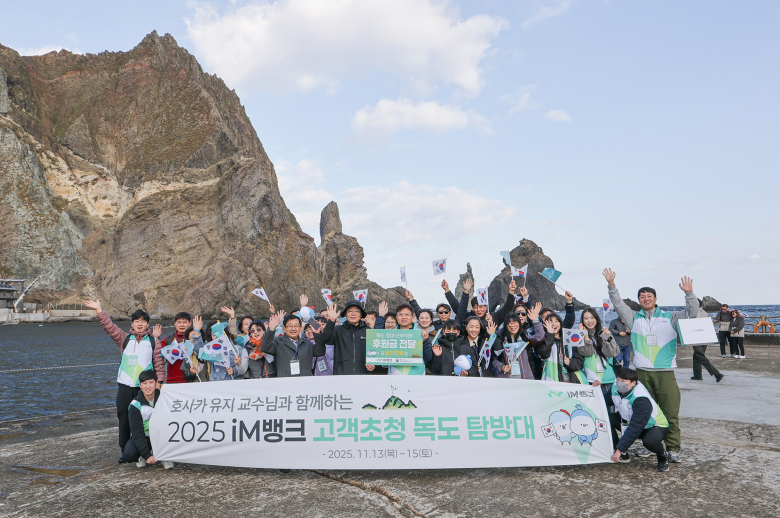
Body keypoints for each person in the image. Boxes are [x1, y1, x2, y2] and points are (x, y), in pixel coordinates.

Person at [604, 268, 699, 463]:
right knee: (643, 413)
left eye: (649, 296)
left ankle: (673, 448)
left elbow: (692, 313)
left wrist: (689, 294)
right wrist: (612, 285)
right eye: (642, 296)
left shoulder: (670, 316)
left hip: (665, 372)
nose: (646, 299)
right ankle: (650, 445)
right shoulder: (633, 318)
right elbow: (618, 304)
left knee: (670, 411)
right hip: (641, 373)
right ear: (639, 300)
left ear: (655, 299)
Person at [85, 299, 162, 463]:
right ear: (132, 324)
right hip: (125, 387)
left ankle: (148, 449)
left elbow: (158, 364)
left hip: (144, 388)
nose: (140, 324)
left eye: (143, 321)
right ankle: (125, 450)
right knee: (123, 417)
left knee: (147, 418)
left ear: (147, 324)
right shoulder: (124, 339)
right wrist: (99, 309)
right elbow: (109, 327)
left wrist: (159, 382)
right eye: (136, 321)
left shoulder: (154, 342)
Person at [610, 368, 670, 472]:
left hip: (653, 425)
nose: (619, 383)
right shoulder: (615, 388)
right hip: (630, 420)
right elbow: (603, 400)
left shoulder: (641, 399)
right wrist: (593, 389)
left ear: (633, 383)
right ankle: (622, 454)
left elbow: (635, 427)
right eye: (618, 379)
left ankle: (662, 456)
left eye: (623, 381)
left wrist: (620, 449)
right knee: (607, 419)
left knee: (649, 441)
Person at [577, 308, 621, 445]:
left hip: (607, 379)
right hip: (591, 380)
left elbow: (613, 352)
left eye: (592, 318)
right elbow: (587, 352)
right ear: (582, 321)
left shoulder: (603, 333)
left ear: (597, 319)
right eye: (586, 318)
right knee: (594, 413)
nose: (589, 321)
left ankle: (614, 443)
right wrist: (585, 337)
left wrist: (608, 337)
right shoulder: (579, 335)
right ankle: (599, 442)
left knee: (610, 415)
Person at [316, 300, 388, 375]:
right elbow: (325, 339)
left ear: (361, 314)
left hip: (363, 375)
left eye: (357, 311)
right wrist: (331, 321)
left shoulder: (368, 331)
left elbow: (378, 348)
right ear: (345, 314)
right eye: (350, 311)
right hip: (342, 375)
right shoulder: (338, 330)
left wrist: (373, 364)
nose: (353, 314)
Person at [121, 370, 173, 469]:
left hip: (162, 435)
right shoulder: (135, 405)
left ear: (156, 383)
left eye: (151, 382)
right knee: (129, 454)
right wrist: (146, 455)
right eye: (144, 383)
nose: (148, 386)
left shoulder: (165, 397)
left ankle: (165, 456)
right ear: (140, 385)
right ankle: (142, 455)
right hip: (146, 436)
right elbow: (137, 432)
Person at [261, 312, 326, 377]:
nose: (293, 328)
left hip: (305, 380)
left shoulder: (307, 342)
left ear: (300, 328)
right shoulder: (278, 342)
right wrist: (271, 330)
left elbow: (320, 352)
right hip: (285, 380)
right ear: (284, 329)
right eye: (290, 326)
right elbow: (265, 348)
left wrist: (317, 334)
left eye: (296, 326)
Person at [491, 304, 542, 379]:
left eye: (515, 322)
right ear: (506, 325)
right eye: (509, 322)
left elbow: (539, 336)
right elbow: (494, 360)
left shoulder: (525, 339)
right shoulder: (500, 340)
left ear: (519, 324)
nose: (513, 325)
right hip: (507, 379)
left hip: (525, 379)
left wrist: (536, 321)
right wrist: (502, 367)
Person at [191, 315, 247, 381]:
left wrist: (234, 371)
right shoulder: (211, 351)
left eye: (219, 333)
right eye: (213, 335)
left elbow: (244, 370)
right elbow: (200, 352)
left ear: (225, 334)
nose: (217, 337)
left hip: (234, 384)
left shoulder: (239, 349)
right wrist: (196, 332)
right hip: (216, 384)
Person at [536, 312, 584, 382]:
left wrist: (570, 363)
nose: (553, 324)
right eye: (550, 321)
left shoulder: (569, 339)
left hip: (571, 380)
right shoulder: (543, 340)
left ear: (560, 323)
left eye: (556, 321)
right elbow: (544, 354)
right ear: (545, 324)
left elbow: (580, 362)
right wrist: (550, 334)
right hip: (553, 381)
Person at [690, 301, 725, 381]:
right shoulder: (704, 313)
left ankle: (716, 373)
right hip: (705, 336)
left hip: (697, 336)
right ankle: (697, 375)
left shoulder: (694, 313)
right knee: (696, 356)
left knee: (699, 355)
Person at [154, 312, 192, 384]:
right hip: (172, 379)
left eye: (184, 322)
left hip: (191, 379)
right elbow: (156, 353)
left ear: (189, 324)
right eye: (179, 322)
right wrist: (155, 338)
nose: (182, 325)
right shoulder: (168, 339)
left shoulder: (193, 339)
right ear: (175, 324)